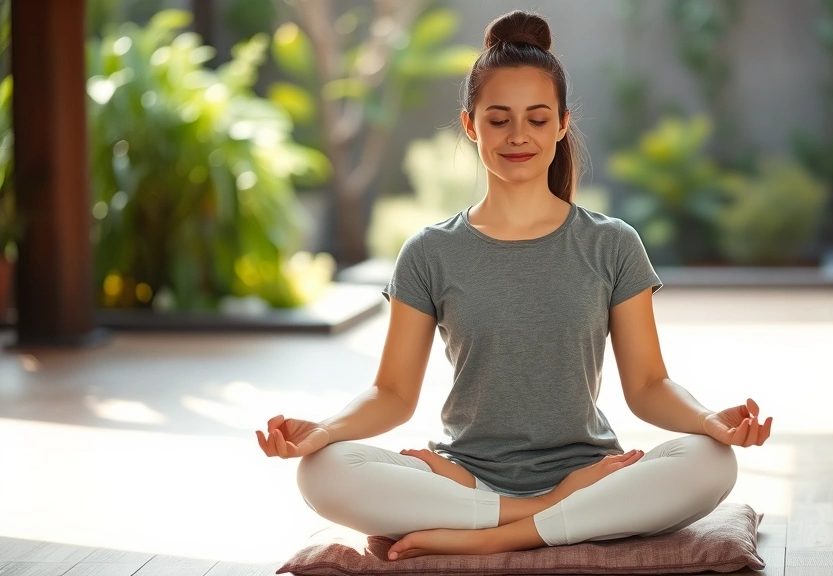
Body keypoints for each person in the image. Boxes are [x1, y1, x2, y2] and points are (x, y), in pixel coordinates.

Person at [256, 9, 772, 562]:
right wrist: (325, 430)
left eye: (537, 118)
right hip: (461, 480)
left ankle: (501, 536)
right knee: (323, 472)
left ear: (562, 124)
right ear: (470, 125)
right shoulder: (429, 251)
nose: (518, 136)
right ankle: (544, 515)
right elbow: (393, 395)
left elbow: (647, 384)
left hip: (591, 473)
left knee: (713, 461)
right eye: (498, 119)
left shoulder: (611, 243)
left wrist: (706, 421)